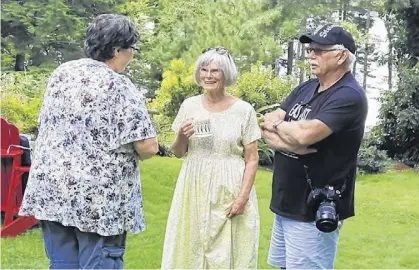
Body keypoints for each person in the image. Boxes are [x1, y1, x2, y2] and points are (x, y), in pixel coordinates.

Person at [19, 14, 158, 269]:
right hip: (98, 202)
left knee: (62, 265)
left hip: (52, 191)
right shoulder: (118, 85)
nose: (133, 56)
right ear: (117, 50)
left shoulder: (63, 73)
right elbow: (148, 147)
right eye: (132, 49)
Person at [260, 24, 368, 269]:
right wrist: (293, 144)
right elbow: (266, 124)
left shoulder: (349, 96)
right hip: (287, 202)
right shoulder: (306, 87)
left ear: (341, 56)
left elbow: (304, 134)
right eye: (309, 49)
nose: (310, 55)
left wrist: (290, 134)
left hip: (314, 208)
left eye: (319, 50)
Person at [161, 47, 261, 269]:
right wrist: (181, 135)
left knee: (230, 246)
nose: (208, 75)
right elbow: (177, 152)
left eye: (215, 71)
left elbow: (251, 158)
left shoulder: (244, 110)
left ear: (226, 74)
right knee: (192, 243)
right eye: (204, 70)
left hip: (230, 185)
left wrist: (242, 198)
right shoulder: (189, 105)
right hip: (194, 183)